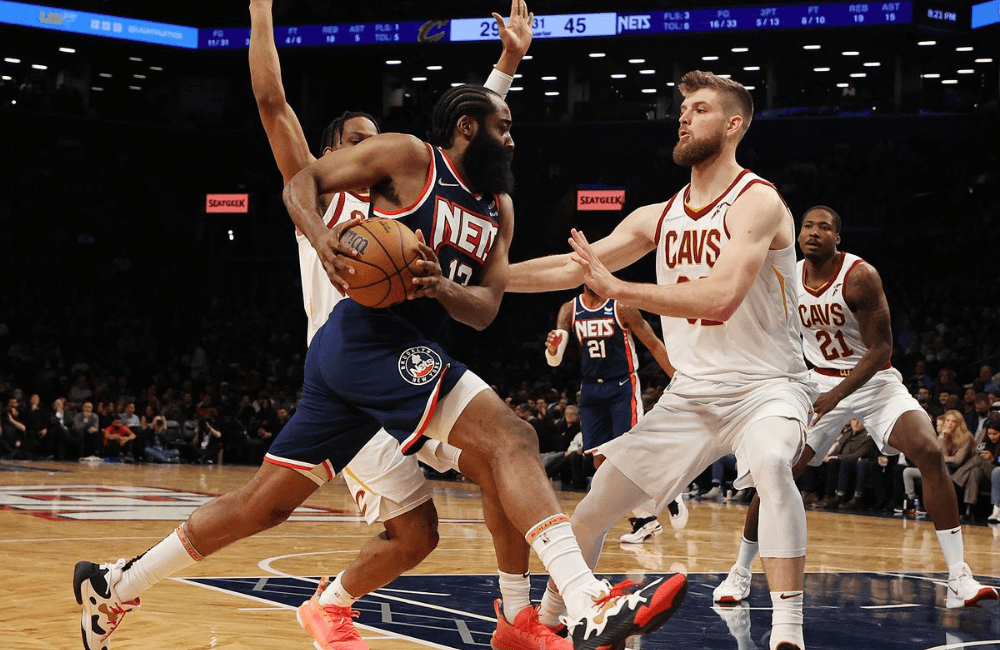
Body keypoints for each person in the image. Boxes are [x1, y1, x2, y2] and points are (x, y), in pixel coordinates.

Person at [74, 8, 688, 650]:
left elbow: (484, 301)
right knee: (510, 436)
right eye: (503, 128)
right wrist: (323, 241)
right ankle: (584, 600)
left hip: (382, 355)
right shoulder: (383, 172)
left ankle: (115, 584)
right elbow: (288, 137)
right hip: (363, 341)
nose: (514, 139)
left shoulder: (495, 204)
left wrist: (507, 66)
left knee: (269, 505)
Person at [508, 70, 814, 650]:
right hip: (693, 394)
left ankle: (789, 633)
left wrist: (620, 288)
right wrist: (484, 281)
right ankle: (548, 624)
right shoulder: (658, 214)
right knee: (590, 514)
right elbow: (573, 267)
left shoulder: (759, 202)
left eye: (698, 109)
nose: (683, 117)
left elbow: (720, 299)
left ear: (732, 125)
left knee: (773, 464)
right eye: (682, 110)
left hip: (768, 386)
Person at [711, 205, 998, 610]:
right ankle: (739, 572)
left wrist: (838, 394)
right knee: (776, 471)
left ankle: (958, 576)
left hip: (872, 378)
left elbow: (882, 348)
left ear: (837, 238)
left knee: (930, 452)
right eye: (808, 226)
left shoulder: (860, 276)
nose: (814, 232)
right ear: (799, 235)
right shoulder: (786, 275)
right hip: (817, 380)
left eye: (824, 227)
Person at [544, 284, 687, 541]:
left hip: (622, 386)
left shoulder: (621, 305)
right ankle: (648, 518)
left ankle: (665, 497)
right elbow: (555, 359)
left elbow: (653, 344)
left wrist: (680, 380)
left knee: (628, 456)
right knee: (601, 463)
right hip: (590, 390)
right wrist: (552, 351)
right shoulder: (569, 309)